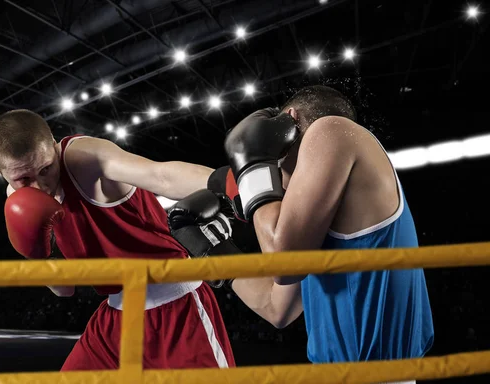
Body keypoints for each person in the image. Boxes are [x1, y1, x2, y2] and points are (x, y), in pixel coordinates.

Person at [171, 85, 435, 373]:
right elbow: (275, 307)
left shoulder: (329, 129)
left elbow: (283, 263)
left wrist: (255, 163)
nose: (278, 171)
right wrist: (214, 251)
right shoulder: (319, 225)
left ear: (291, 120)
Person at [0, 109, 235, 370]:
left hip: (176, 306)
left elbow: (160, 176)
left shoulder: (83, 158)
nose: (40, 186)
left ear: (54, 146)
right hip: (116, 315)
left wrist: (236, 184)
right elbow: (63, 289)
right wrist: (38, 254)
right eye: (23, 179)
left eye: (46, 169)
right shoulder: (15, 199)